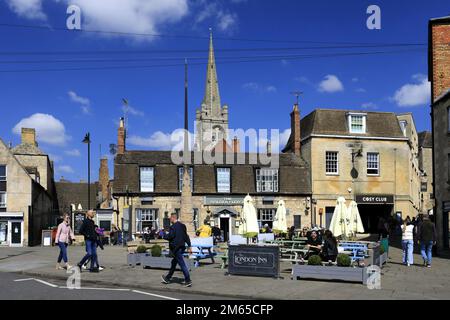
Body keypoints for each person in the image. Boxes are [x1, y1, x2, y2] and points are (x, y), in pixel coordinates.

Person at [161, 213, 192, 287]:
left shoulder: (173, 227)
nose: (170, 220)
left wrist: (163, 235)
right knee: (174, 262)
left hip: (176, 248)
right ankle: (167, 278)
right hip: (181, 247)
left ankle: (188, 280)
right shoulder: (183, 226)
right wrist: (189, 246)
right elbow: (186, 236)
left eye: (170, 218)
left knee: (182, 264)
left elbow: (170, 236)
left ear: (173, 218)